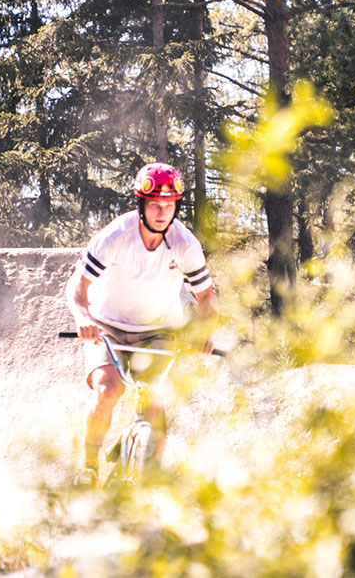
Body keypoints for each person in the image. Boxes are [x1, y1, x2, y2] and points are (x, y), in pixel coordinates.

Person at [65, 162, 218, 483]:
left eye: (169, 205)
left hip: (157, 330)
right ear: (141, 205)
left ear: (176, 206)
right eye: (154, 205)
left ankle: (149, 483)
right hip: (107, 326)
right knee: (108, 391)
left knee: (155, 404)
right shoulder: (117, 235)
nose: (162, 213)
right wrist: (83, 318)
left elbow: (207, 298)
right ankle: (89, 468)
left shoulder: (185, 244)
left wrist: (204, 332)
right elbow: (78, 286)